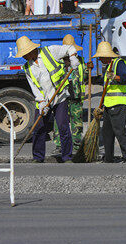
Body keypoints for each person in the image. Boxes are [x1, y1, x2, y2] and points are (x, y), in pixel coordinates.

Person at [16, 35, 80, 163]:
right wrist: (41, 102)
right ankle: (38, 157)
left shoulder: (49, 51)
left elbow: (70, 48)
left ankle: (67, 156)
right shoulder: (27, 67)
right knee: (38, 128)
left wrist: (73, 58)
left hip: (59, 96)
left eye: (24, 54)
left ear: (31, 51)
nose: (23, 57)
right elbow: (34, 87)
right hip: (44, 100)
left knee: (63, 127)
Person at [92, 41, 126, 163]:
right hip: (108, 104)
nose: (99, 59)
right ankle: (109, 158)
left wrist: (115, 77)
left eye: (100, 57)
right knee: (107, 132)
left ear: (106, 56)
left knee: (119, 131)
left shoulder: (118, 63)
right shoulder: (108, 66)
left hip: (119, 104)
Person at [53, 34, 91, 154]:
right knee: (59, 121)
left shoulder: (81, 61)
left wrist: (89, 69)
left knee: (77, 122)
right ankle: (59, 145)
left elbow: (84, 77)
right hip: (62, 97)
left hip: (76, 96)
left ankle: (76, 145)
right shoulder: (58, 62)